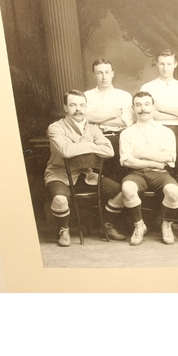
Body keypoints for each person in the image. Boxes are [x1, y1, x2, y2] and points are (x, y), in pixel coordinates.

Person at [44, 89, 126, 247]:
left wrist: (80, 146)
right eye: (73, 105)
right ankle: (63, 229)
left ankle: (106, 225)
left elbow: (109, 151)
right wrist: (91, 145)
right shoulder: (56, 127)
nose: (78, 109)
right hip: (60, 174)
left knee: (123, 192)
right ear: (65, 108)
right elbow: (65, 151)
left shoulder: (93, 128)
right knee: (60, 199)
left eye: (82, 105)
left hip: (87, 176)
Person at [119, 91, 178, 246]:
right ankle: (139, 226)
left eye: (147, 104)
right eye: (138, 105)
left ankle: (166, 224)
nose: (143, 108)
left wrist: (140, 154)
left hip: (161, 174)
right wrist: (154, 162)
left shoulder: (166, 132)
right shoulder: (126, 133)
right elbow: (126, 161)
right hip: (136, 173)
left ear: (153, 107)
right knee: (127, 188)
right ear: (133, 108)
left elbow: (169, 157)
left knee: (173, 191)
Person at [140, 50, 178, 175]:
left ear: (175, 64)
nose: (165, 68)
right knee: (158, 169)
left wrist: (161, 108)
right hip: (155, 132)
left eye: (169, 64)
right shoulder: (147, 88)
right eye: (162, 64)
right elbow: (149, 114)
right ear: (156, 64)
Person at [84, 59, 134, 182]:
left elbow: (125, 122)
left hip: (119, 139)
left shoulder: (124, 95)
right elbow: (87, 118)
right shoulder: (86, 96)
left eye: (107, 72)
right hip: (96, 140)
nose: (104, 76)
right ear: (94, 75)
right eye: (99, 73)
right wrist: (113, 114)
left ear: (112, 73)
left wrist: (97, 119)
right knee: (99, 179)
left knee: (121, 178)